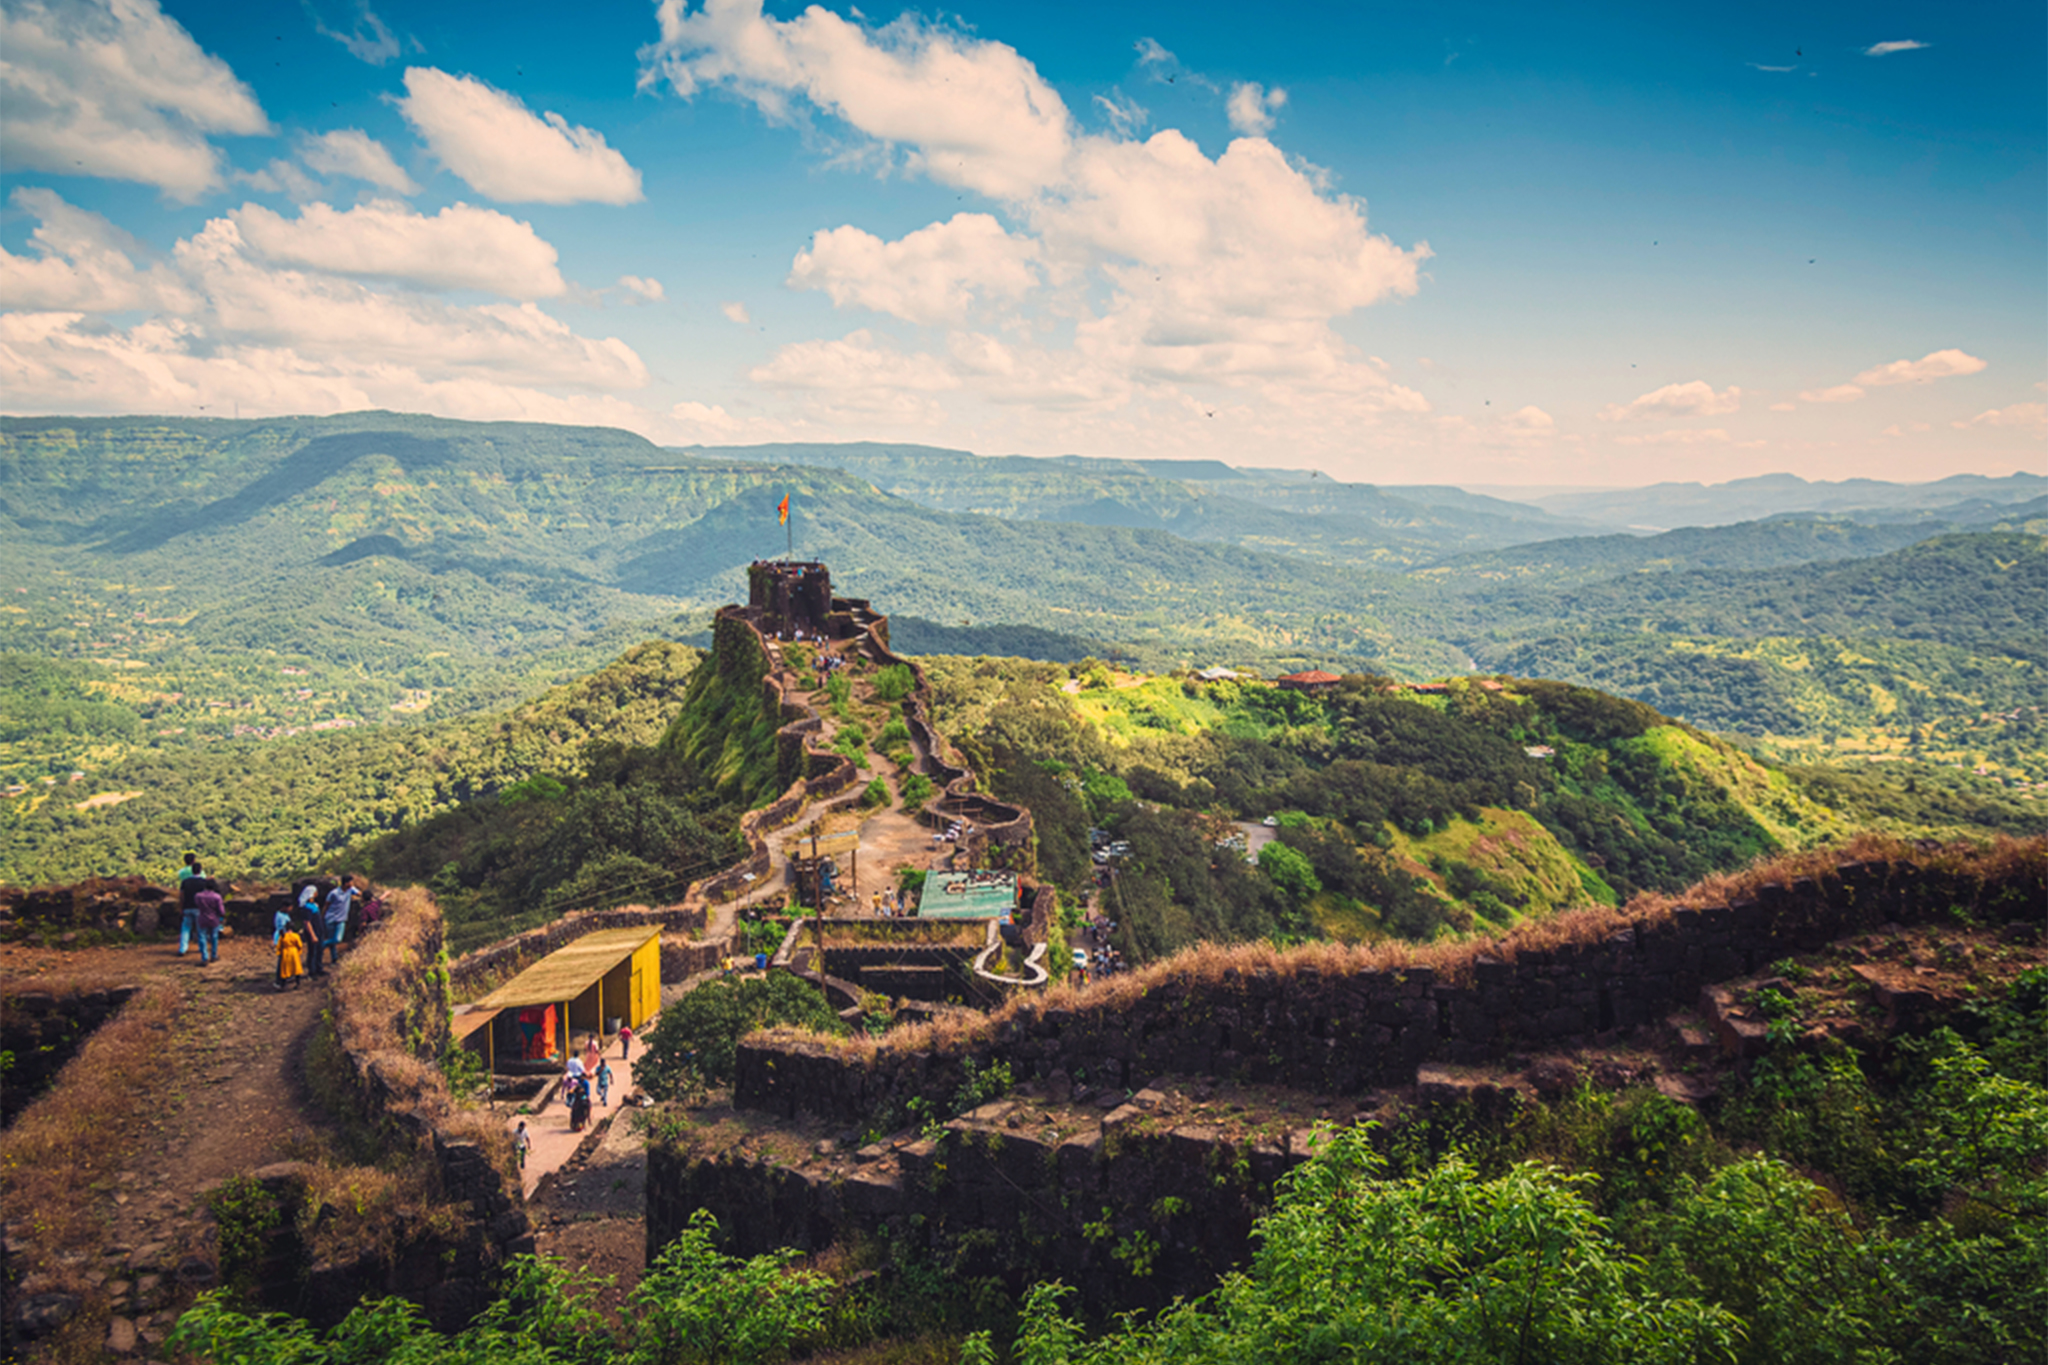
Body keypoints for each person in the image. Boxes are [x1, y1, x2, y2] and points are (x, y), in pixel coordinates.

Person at [320, 876, 360, 969]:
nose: (352, 884)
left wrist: (355, 889)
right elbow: (326, 905)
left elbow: (359, 894)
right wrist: (322, 917)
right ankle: (334, 959)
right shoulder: (333, 893)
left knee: (337, 939)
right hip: (330, 918)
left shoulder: (350, 890)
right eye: (351, 882)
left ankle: (321, 946)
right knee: (332, 941)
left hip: (341, 919)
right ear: (346, 883)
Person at [178, 859, 205, 955]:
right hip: (199, 908)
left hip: (187, 907)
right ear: (200, 870)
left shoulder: (185, 882)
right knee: (200, 929)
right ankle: (202, 948)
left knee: (185, 928)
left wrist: (181, 907)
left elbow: (181, 895)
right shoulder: (203, 882)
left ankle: (182, 949)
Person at [193, 883, 224, 965]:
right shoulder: (217, 896)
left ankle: (204, 958)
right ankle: (214, 955)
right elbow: (221, 911)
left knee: (202, 937)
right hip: (214, 919)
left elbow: (196, 904)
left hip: (202, 918)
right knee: (214, 937)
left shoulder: (198, 896)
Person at [276, 922, 306, 990]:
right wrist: (299, 952)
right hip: (294, 952)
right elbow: (300, 945)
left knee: (284, 969)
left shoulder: (283, 936)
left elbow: (279, 946)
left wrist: (279, 953)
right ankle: (298, 983)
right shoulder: (296, 936)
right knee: (296, 968)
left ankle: (283, 985)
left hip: (285, 953)